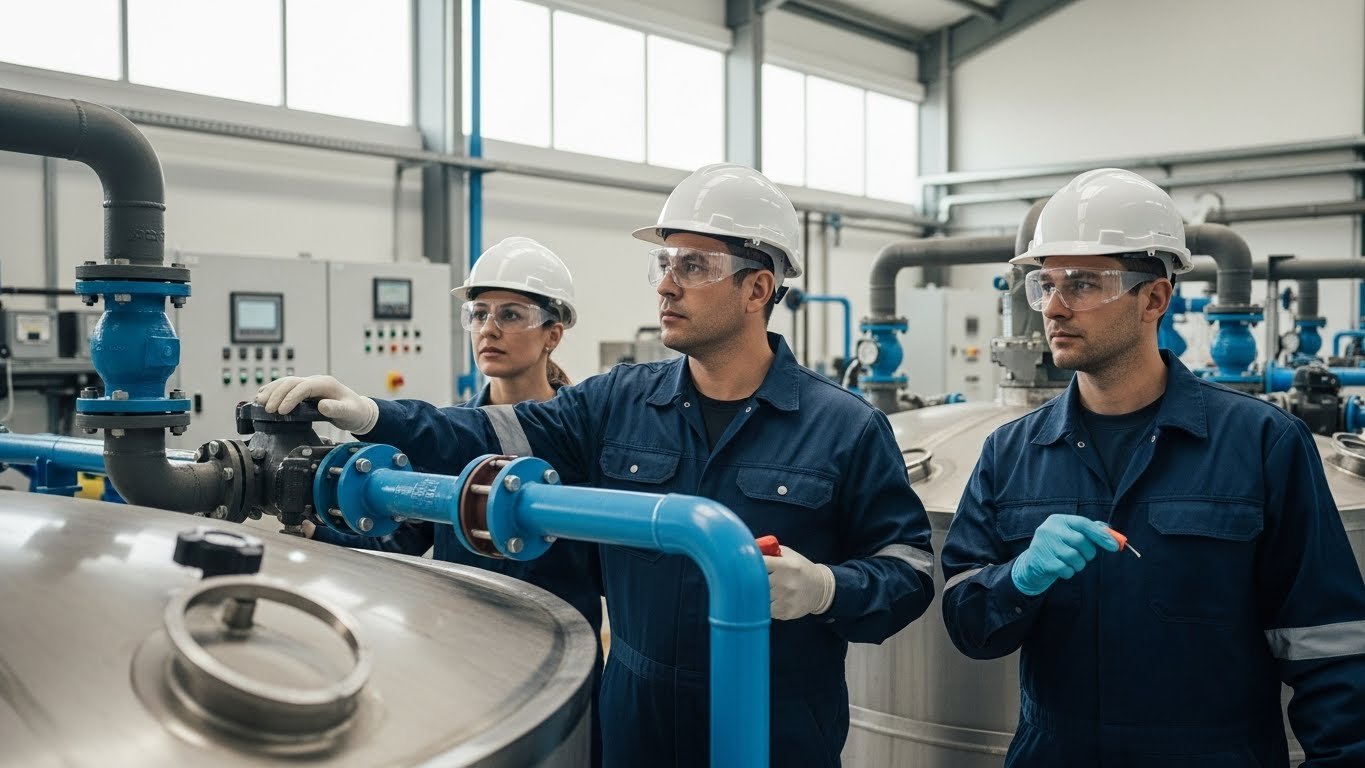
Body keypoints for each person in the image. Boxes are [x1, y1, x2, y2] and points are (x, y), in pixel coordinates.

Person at [258, 163, 935, 766]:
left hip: (774, 727)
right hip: (633, 720)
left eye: (692, 267)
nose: (666, 286)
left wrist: (824, 589)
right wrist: (372, 416)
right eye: (663, 265)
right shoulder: (617, 400)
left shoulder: (844, 427)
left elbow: (907, 570)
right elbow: (485, 432)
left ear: (757, 287)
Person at [940, 168, 1365, 766]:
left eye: (1084, 283)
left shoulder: (1263, 444)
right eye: (1045, 284)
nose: (1054, 309)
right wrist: (1018, 579)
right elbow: (968, 627)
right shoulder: (1011, 452)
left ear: (1155, 298)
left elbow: (1329, 646)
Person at [297, 237, 604, 765]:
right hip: (466, 655)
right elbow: (403, 535)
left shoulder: (584, 437)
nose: (489, 328)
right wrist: (312, 528)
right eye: (478, 313)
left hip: (562, 660)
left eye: (512, 314)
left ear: (553, 333)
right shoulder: (453, 437)